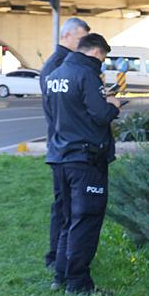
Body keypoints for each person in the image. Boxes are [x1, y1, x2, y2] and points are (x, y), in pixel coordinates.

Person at [44, 33, 121, 295]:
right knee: (86, 220)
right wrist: (114, 105)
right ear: (97, 52)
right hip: (86, 159)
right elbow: (100, 115)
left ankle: (61, 276)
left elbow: (58, 113)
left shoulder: (55, 75)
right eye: (103, 58)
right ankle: (78, 283)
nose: (102, 62)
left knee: (68, 220)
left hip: (60, 157)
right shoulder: (87, 74)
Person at [39, 18, 91, 270]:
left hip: (63, 145)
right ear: (66, 36)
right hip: (64, 147)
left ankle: (65, 256)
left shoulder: (65, 64)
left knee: (68, 205)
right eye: (81, 39)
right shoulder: (57, 66)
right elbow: (59, 109)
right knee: (63, 206)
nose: (85, 44)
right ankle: (55, 258)